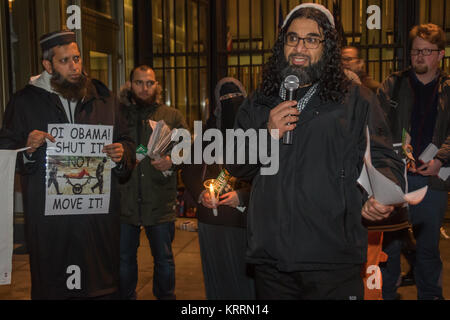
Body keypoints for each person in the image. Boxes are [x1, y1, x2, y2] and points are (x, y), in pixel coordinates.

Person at [225, 3, 405, 300]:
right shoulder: (261, 100)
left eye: (312, 40)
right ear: (282, 44)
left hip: (333, 257)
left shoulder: (357, 100)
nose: (300, 47)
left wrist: (381, 195)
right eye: (292, 38)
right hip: (272, 259)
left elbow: (386, 159)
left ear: (328, 47)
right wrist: (266, 134)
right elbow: (235, 164)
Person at [0, 30, 135, 299]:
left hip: (97, 224)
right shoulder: (24, 102)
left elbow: (126, 140)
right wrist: (28, 148)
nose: (75, 67)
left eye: (77, 58)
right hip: (51, 226)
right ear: (47, 65)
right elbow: (6, 153)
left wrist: (123, 154)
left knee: (100, 288)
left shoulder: (103, 99)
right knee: (55, 289)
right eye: (65, 61)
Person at [377, 23, 449, 300]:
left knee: (427, 251)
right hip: (395, 180)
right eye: (416, 51)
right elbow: (376, 126)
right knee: (391, 248)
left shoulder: (448, 89)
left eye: (427, 51)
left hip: (432, 181)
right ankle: (387, 295)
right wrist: (396, 152)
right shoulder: (393, 85)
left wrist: (440, 159)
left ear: (440, 55)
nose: (419, 56)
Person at [181, 77, 256, 300]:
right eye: (225, 100)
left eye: (237, 99)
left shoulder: (256, 136)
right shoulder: (207, 134)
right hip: (212, 223)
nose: (232, 105)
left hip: (246, 223)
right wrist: (202, 193)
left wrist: (242, 197)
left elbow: (270, 180)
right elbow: (189, 171)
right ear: (217, 105)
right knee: (217, 282)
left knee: (247, 285)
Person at [118, 65, 188, 300]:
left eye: (150, 83)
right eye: (139, 82)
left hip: (159, 200)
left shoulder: (172, 116)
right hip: (125, 200)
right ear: (130, 85)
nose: (145, 88)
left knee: (164, 260)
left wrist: (172, 161)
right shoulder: (119, 114)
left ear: (157, 85)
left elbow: (187, 149)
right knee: (124, 259)